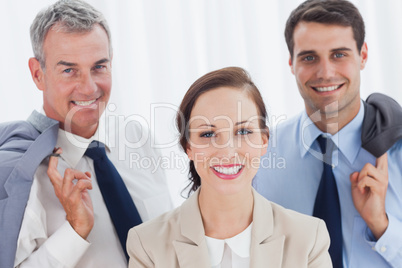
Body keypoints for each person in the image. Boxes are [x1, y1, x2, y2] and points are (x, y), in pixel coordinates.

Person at [0, 1, 172, 267]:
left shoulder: (137, 138)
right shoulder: (21, 173)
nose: (89, 87)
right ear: (37, 74)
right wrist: (75, 230)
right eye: (69, 70)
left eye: (99, 67)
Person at [127, 67, 332, 267]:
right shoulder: (148, 246)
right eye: (207, 134)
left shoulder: (307, 240)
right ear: (188, 147)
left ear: (263, 141)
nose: (227, 152)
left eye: (243, 132)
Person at [253, 0, 402, 267]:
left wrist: (381, 224)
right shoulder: (260, 155)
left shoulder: (397, 151)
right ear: (291, 63)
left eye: (339, 54)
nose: (325, 73)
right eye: (309, 57)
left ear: (363, 55)